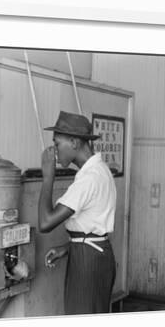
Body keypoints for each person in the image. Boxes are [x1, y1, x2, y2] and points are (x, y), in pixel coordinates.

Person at [38, 111, 117, 315]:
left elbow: (46, 223)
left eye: (57, 144)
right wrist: (68, 247)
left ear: (74, 142)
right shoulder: (100, 170)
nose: (55, 151)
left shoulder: (89, 178)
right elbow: (92, 226)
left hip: (88, 262)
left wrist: (48, 177)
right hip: (94, 253)